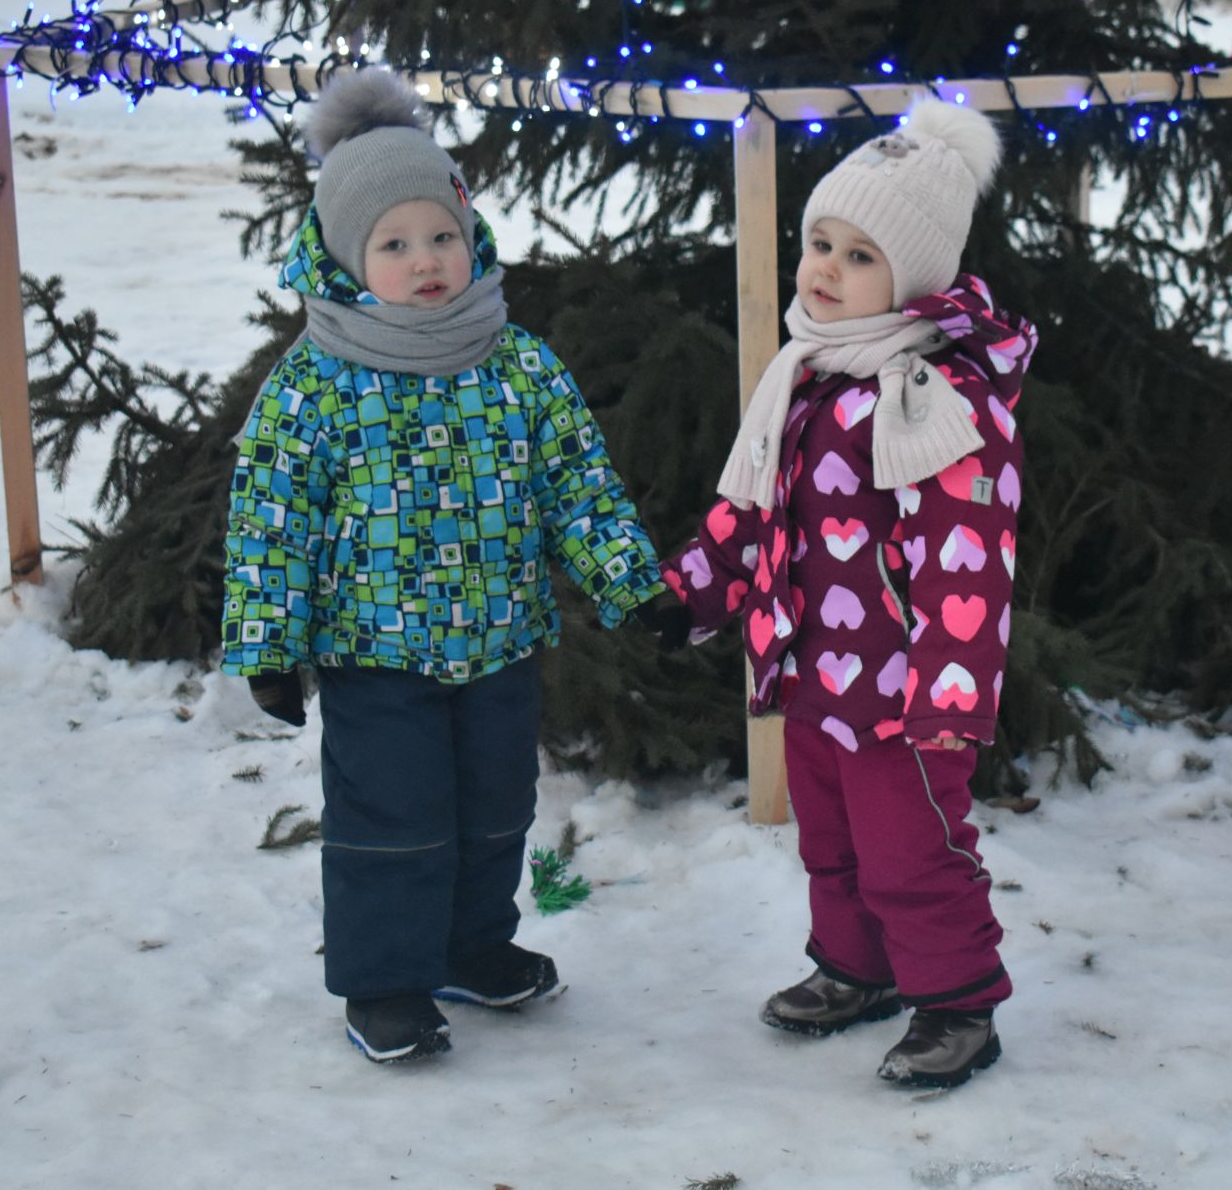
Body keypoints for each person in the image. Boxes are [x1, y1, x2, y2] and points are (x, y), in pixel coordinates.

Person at [220, 68, 676, 1064]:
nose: (426, 260)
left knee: (495, 806)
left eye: (441, 235)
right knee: (393, 816)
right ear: (348, 256)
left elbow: (577, 483)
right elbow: (270, 521)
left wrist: (631, 583)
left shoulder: (516, 362)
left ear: (472, 235)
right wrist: (269, 645)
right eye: (394, 243)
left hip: (500, 638)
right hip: (374, 651)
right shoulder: (315, 384)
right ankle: (384, 980)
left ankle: (474, 943)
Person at [654, 99, 1038, 1088]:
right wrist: (693, 592)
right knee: (833, 843)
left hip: (904, 696)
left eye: (859, 255)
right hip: (816, 673)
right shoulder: (808, 371)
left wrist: (948, 700)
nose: (824, 267)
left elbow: (967, 559)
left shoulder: (934, 398)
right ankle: (856, 968)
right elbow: (750, 508)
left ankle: (957, 1000)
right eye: (820, 241)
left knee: (914, 849)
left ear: (912, 278)